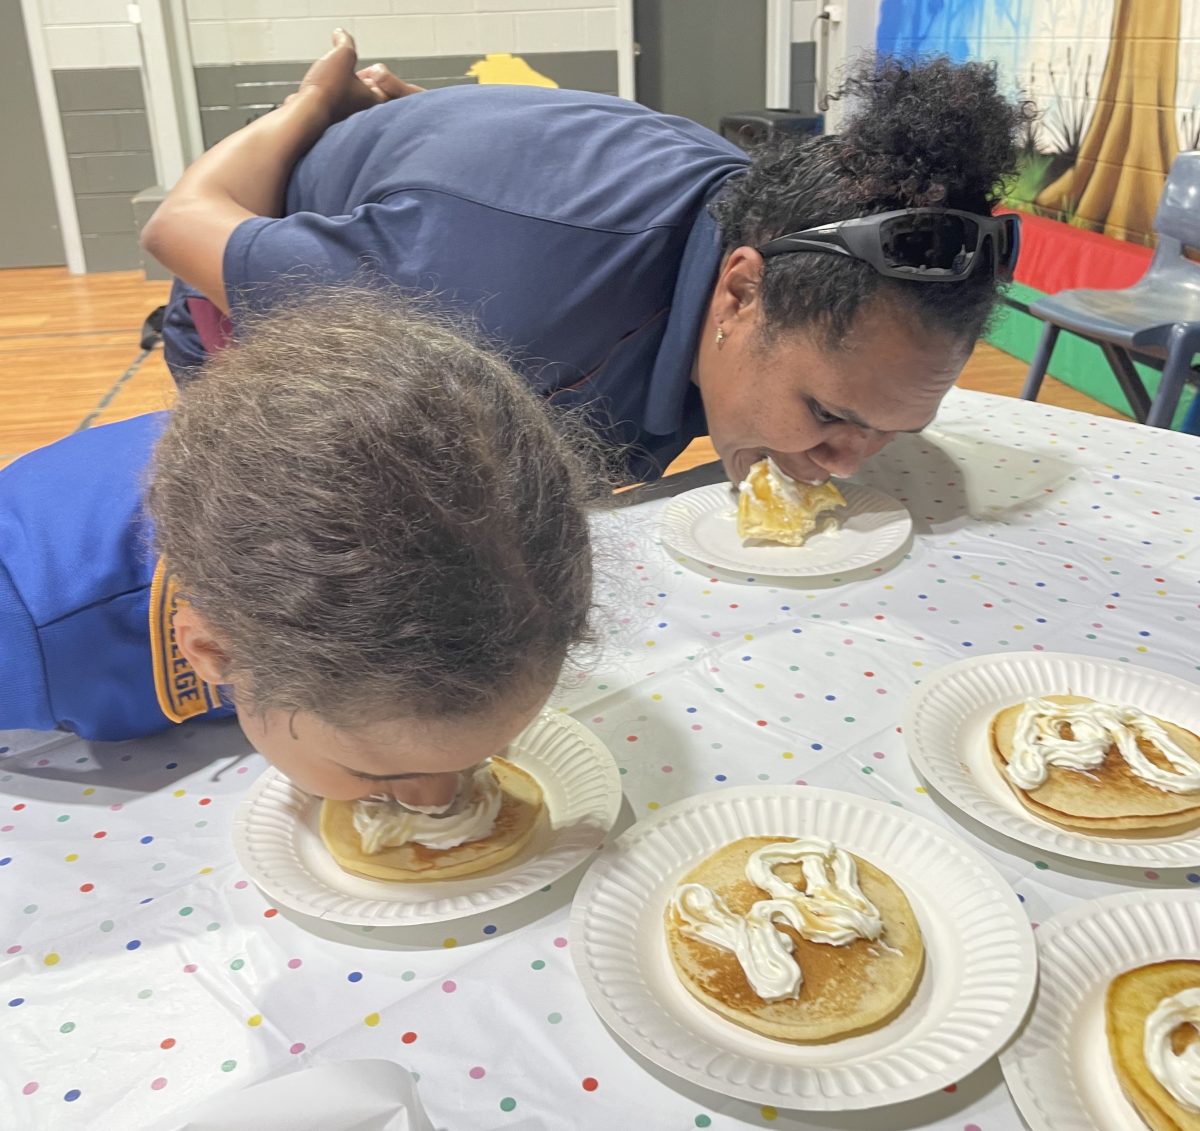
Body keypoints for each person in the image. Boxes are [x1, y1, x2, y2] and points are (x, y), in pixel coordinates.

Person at [143, 34, 1031, 486]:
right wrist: (312, 108)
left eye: (887, 432)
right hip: (246, 319)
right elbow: (181, 223)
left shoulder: (765, 214)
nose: (846, 461)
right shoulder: (465, 286)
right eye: (832, 414)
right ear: (741, 292)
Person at [0, 289, 602, 810]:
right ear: (210, 652)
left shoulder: (512, 565)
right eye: (382, 774)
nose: (441, 802)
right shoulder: (24, 631)